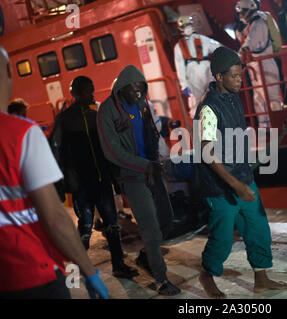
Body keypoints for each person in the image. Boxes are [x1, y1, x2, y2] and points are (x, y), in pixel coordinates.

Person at [0, 45, 108, 299]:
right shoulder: (21, 133)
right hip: (30, 273)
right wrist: (89, 272)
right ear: (7, 70)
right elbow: (55, 218)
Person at [194, 46, 287, 298]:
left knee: (258, 227)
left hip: (242, 177)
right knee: (223, 239)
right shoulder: (208, 109)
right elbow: (207, 153)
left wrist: (247, 170)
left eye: (241, 75)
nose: (240, 80)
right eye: (235, 76)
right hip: (220, 187)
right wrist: (235, 185)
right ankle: (207, 275)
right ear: (219, 77)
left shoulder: (234, 98)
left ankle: (261, 278)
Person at [97, 65, 180, 296]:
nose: (137, 94)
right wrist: (146, 166)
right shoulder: (107, 110)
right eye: (133, 90)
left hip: (152, 170)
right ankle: (161, 280)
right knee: (150, 227)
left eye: (141, 90)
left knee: (167, 220)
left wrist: (159, 160)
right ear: (121, 89)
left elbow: (151, 133)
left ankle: (146, 255)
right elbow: (110, 150)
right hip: (132, 175)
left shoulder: (142, 104)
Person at [50, 76, 138, 279]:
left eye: (92, 90)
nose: (91, 94)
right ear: (74, 93)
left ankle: (118, 265)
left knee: (112, 224)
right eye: (87, 91)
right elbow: (55, 150)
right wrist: (61, 182)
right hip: (80, 184)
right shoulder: (64, 119)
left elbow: (109, 145)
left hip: (102, 179)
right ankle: (74, 270)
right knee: (85, 228)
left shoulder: (95, 115)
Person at [235, 0, 282, 127]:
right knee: (259, 98)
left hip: (265, 63)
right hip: (255, 65)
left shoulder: (258, 23)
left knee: (271, 97)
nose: (240, 15)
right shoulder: (250, 25)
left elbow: (249, 44)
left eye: (243, 12)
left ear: (250, 10)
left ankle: (278, 125)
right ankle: (265, 127)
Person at [174, 15, 222, 119]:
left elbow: (218, 48)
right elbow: (180, 66)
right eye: (184, 26)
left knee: (213, 99)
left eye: (188, 25)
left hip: (205, 70)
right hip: (193, 74)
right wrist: (184, 85)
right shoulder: (179, 46)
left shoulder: (202, 39)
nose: (187, 28)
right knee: (196, 103)